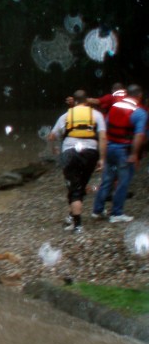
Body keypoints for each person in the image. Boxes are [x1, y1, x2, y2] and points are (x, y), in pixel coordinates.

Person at [49, 90, 107, 233]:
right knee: (81, 185)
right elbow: (103, 138)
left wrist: (54, 148)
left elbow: (51, 136)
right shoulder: (97, 115)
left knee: (74, 187)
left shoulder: (65, 116)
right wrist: (102, 158)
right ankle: (72, 216)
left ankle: (77, 225)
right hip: (90, 153)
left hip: (70, 152)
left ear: (74, 102)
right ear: (86, 101)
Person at [92, 84, 147, 223]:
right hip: (124, 151)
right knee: (123, 181)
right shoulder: (139, 112)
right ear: (139, 96)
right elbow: (139, 135)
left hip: (110, 147)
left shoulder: (115, 107)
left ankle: (97, 210)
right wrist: (134, 154)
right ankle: (116, 213)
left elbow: (106, 126)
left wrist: (103, 152)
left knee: (107, 180)